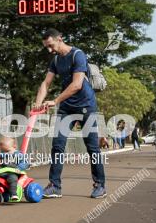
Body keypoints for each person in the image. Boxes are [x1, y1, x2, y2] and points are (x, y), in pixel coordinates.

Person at [32, 28, 106, 199]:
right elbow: (46, 83)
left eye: (50, 45)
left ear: (60, 39)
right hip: (66, 108)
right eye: (46, 47)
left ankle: (100, 185)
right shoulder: (56, 60)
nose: (49, 50)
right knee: (57, 147)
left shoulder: (77, 55)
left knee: (92, 148)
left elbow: (77, 84)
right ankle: (55, 186)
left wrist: (55, 101)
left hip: (85, 106)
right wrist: (37, 105)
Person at [0, 136, 29, 202]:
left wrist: (19, 168)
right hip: (3, 173)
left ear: (14, 147)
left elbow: (25, 162)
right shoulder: (1, 155)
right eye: (2, 151)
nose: (4, 153)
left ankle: (13, 194)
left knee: (12, 178)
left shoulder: (17, 155)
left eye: (7, 151)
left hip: (13, 172)